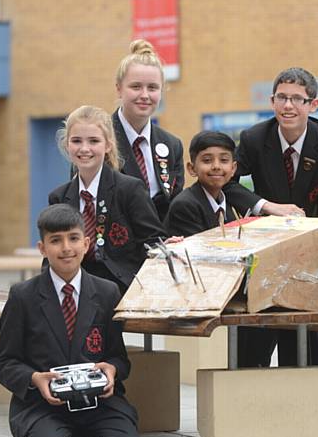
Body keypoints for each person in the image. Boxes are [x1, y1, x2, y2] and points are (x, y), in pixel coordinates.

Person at [224, 67, 318, 437]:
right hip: (262, 252)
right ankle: (247, 413)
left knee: (316, 334)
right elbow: (230, 186)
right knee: (255, 334)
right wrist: (268, 205)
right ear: (272, 102)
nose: (288, 105)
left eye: (297, 98)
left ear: (312, 104)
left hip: (310, 256)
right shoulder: (252, 139)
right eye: (281, 97)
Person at [0, 204, 143, 437]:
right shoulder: (23, 296)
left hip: (100, 404)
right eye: (55, 240)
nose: (66, 248)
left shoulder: (107, 292)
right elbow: (4, 363)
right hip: (42, 406)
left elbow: (119, 357)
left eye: (73, 238)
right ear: (42, 248)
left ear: (86, 244)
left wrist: (112, 368)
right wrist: (34, 379)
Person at [49, 105, 168, 295]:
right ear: (67, 145)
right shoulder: (59, 197)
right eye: (76, 141)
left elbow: (153, 241)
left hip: (123, 286)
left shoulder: (130, 189)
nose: (84, 148)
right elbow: (52, 251)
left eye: (94, 141)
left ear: (108, 145)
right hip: (78, 288)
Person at [113, 39, 184, 221]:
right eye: (136, 86)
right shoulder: (97, 140)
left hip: (162, 244)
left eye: (152, 88)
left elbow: (174, 206)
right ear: (119, 89)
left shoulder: (172, 145)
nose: (144, 95)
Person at [164, 130, 242, 236]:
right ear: (192, 169)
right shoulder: (185, 205)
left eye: (224, 160)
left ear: (233, 168)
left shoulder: (231, 201)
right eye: (207, 160)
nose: (216, 166)